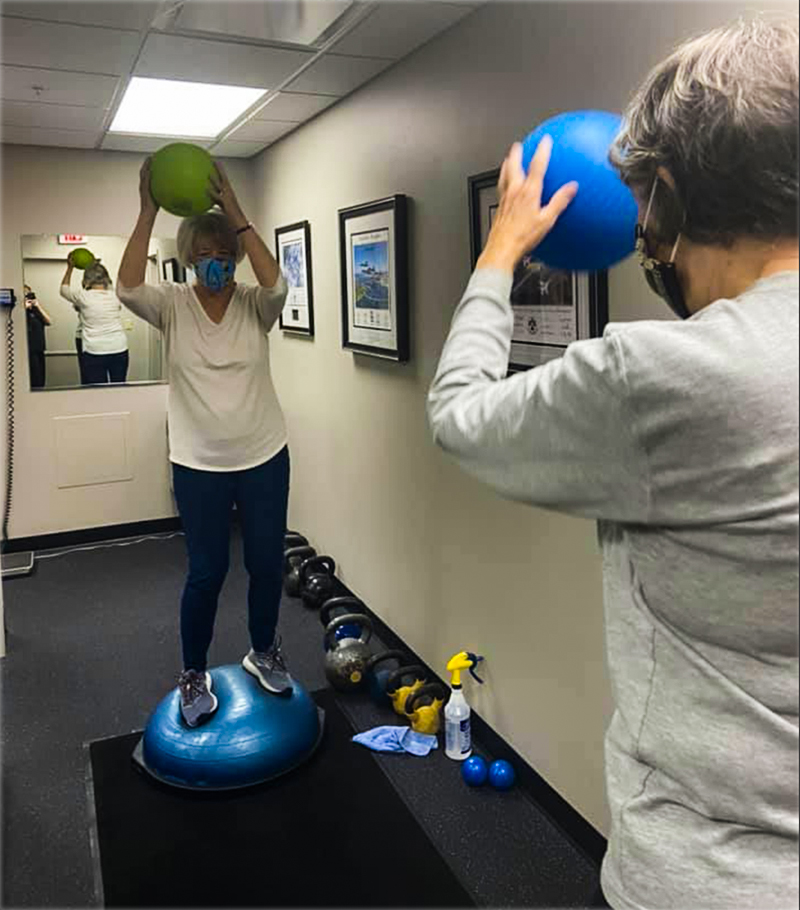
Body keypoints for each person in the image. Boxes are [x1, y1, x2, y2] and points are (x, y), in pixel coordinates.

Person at [427, 17, 798, 910]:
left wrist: (498, 254)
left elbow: (458, 416)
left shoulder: (664, 373)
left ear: (666, 193)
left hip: (711, 878)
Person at [117, 159, 292, 728]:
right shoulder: (170, 304)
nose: (214, 264)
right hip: (197, 464)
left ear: (233, 256)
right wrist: (148, 210)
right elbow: (125, 286)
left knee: (267, 564)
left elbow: (278, 283)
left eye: (223, 255)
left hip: (264, 456)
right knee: (206, 573)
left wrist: (236, 213)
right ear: (189, 258)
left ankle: (262, 650)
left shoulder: (253, 306)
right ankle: (193, 672)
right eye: (204, 255)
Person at [60, 258, 129, 384]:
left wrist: (70, 268)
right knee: (119, 389)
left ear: (86, 280)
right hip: (119, 348)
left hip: (94, 351)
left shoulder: (83, 296)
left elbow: (64, 289)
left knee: (96, 394)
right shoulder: (116, 295)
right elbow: (110, 288)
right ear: (106, 278)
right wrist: (97, 267)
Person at [24, 284, 51, 389]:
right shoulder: (19, 313)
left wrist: (37, 306)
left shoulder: (35, 311)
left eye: (29, 294)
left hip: (39, 350)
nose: (28, 297)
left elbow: (49, 322)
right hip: (28, 353)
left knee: (40, 382)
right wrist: (23, 308)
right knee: (34, 382)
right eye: (25, 295)